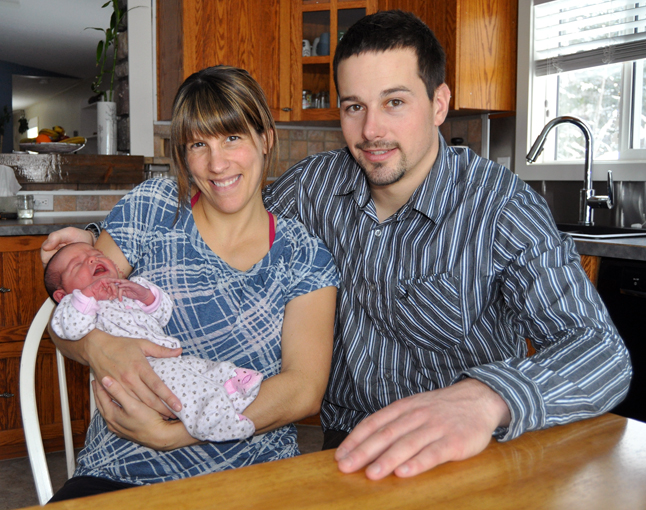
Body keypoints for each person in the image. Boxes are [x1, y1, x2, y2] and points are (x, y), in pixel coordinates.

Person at [42, 11, 632, 483]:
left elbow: (604, 353)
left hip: (469, 455)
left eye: (395, 102)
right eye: (354, 107)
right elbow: (230, 197)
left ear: (441, 103)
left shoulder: (499, 206)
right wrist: (92, 262)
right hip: (347, 452)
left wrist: (486, 400)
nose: (371, 130)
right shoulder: (315, 190)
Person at [40, 65, 339, 501]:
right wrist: (98, 348)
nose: (217, 164)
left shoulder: (303, 255)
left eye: (232, 137)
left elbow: (303, 390)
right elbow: (67, 323)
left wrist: (173, 435)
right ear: (183, 154)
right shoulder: (155, 207)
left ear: (265, 138)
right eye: (199, 144)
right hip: (122, 469)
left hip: (251, 476)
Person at [45, 242, 263, 442]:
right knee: (186, 388)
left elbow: (163, 313)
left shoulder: (128, 289)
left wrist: (144, 296)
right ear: (62, 295)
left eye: (96, 254)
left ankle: (230, 384)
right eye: (77, 265)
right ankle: (214, 420)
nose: (92, 260)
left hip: (165, 358)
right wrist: (86, 296)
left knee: (199, 368)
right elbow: (69, 328)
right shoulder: (72, 308)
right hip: (134, 374)